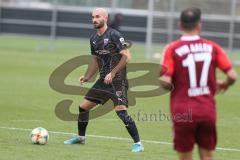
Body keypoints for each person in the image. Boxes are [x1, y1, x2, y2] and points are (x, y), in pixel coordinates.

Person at [159, 7, 237, 160]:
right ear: (199, 25)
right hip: (207, 110)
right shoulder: (213, 47)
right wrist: (224, 83)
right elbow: (233, 76)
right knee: (207, 157)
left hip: (182, 111)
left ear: (180, 24)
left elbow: (165, 82)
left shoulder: (172, 49)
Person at [64, 8, 144, 152]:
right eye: (93, 17)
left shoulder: (114, 35)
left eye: (97, 17)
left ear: (105, 18)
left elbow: (127, 57)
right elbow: (96, 60)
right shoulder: (93, 39)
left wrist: (113, 73)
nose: (94, 19)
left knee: (121, 112)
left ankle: (138, 143)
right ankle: (81, 137)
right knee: (83, 107)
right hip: (103, 81)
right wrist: (87, 76)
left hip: (117, 81)